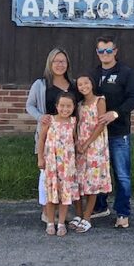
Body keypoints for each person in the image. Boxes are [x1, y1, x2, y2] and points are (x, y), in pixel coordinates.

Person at [89, 35, 134, 229]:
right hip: (97, 134)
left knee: (122, 175)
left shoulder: (127, 73)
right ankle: (100, 207)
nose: (105, 54)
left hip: (119, 133)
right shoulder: (93, 74)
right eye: (101, 51)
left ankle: (123, 213)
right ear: (97, 53)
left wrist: (115, 113)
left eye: (108, 51)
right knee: (99, 172)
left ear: (115, 51)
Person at [25, 48, 79, 223]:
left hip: (68, 139)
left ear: (67, 63)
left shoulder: (74, 84)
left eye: (63, 61)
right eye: (56, 61)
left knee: (65, 176)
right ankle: (47, 212)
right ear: (50, 63)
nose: (59, 64)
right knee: (46, 177)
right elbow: (30, 106)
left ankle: (63, 211)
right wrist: (41, 117)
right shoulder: (40, 84)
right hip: (48, 138)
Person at [69, 74, 111, 233]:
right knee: (78, 180)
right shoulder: (79, 104)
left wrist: (87, 143)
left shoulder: (100, 100)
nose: (83, 86)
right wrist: (77, 142)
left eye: (86, 83)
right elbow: (77, 124)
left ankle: (87, 217)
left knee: (91, 182)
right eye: (80, 84)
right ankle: (78, 215)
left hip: (95, 145)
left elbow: (100, 125)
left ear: (92, 84)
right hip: (80, 146)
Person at [37, 92, 80, 237]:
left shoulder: (73, 122)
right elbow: (41, 140)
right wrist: (40, 159)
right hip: (51, 163)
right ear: (56, 106)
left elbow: (74, 141)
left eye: (68, 106)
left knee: (65, 194)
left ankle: (61, 223)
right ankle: (50, 222)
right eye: (62, 106)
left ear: (74, 107)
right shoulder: (50, 120)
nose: (65, 109)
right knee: (51, 193)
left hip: (67, 165)